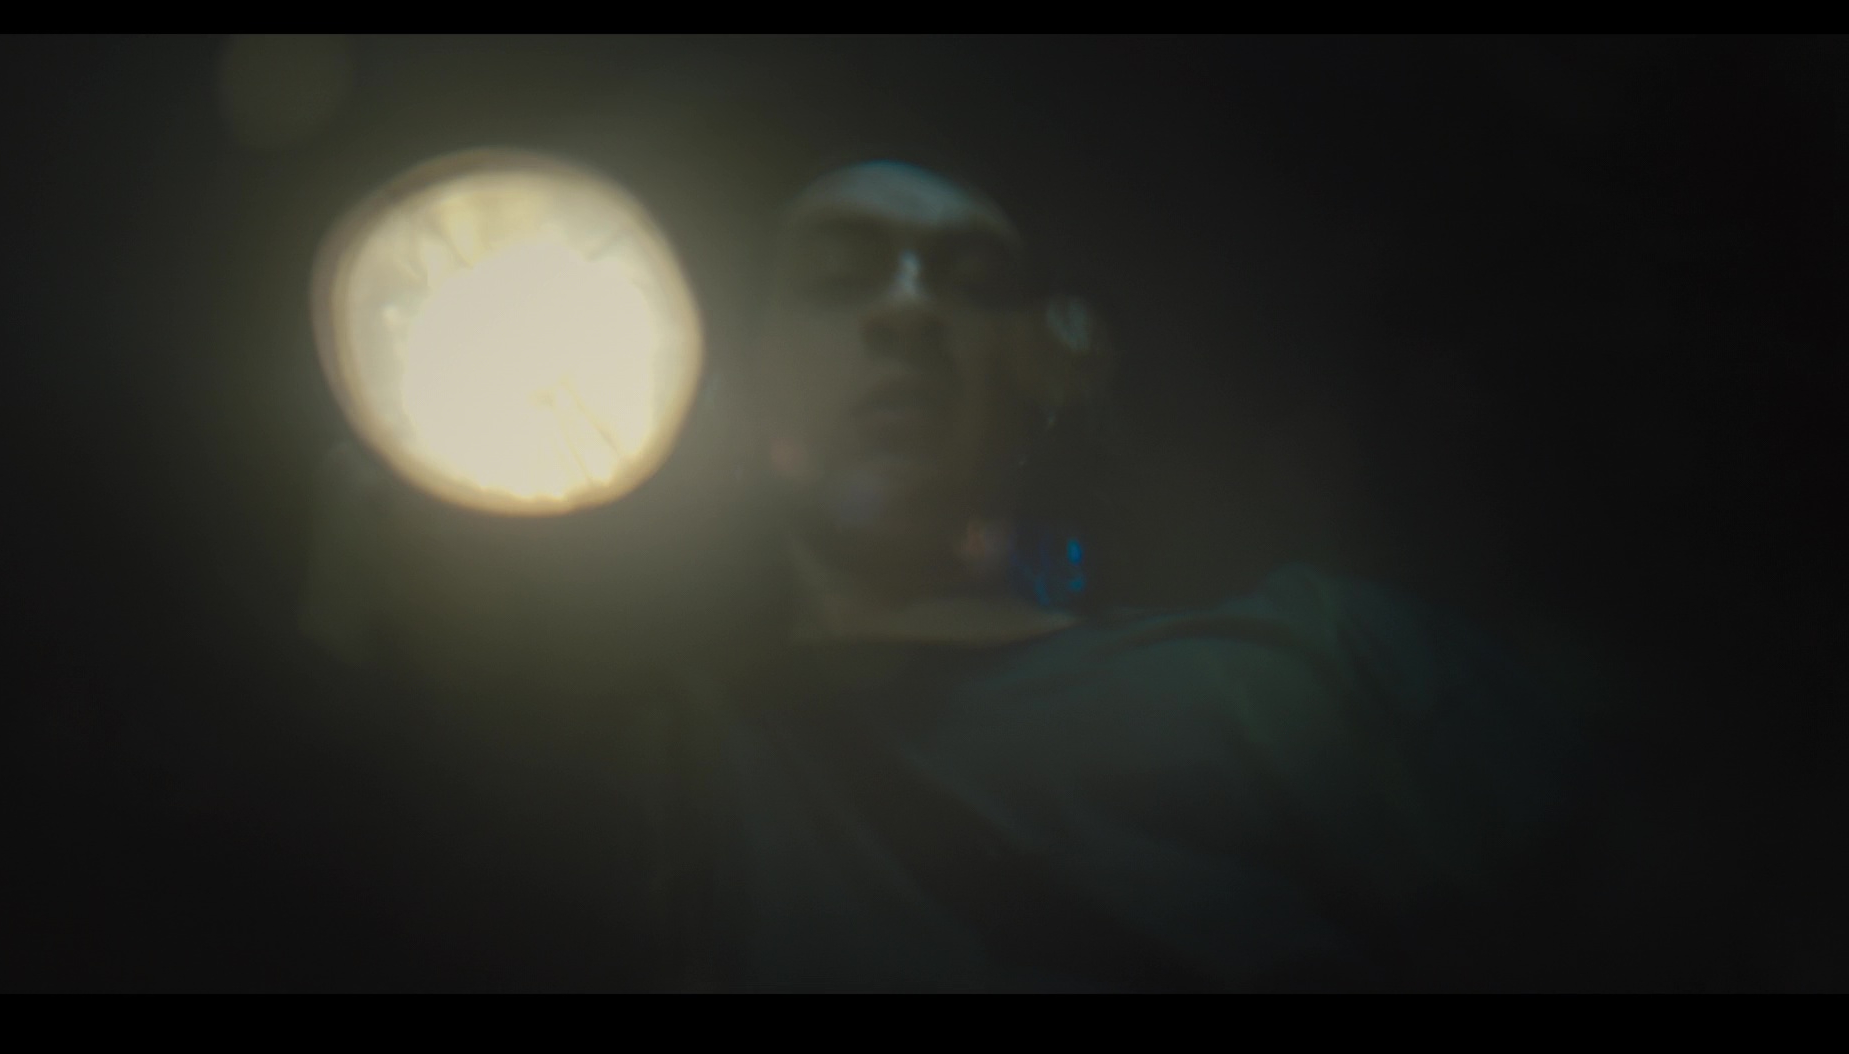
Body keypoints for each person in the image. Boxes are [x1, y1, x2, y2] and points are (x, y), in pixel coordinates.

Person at [298, 160, 1615, 992]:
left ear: (1050, 370)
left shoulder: (1318, 666)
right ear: (731, 373)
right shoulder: (659, 767)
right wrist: (374, 629)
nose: (909, 307)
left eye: (971, 282)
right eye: (839, 275)